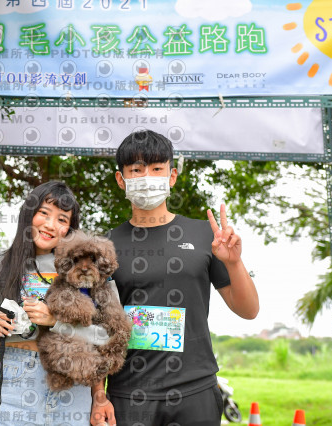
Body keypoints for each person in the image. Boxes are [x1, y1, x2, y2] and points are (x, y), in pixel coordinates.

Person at [105, 130, 259, 426]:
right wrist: (99, 395)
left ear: (172, 176)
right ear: (121, 179)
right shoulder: (105, 246)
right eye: (136, 169)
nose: (146, 177)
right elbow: (94, 330)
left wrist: (235, 263)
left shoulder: (205, 236)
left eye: (156, 168)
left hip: (195, 390)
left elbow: (249, 310)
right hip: (128, 394)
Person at [0, 181, 117, 426]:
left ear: (70, 228)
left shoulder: (89, 270)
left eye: (62, 219)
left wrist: (99, 396)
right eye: (44, 213)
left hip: (75, 390)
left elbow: (111, 338)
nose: (50, 225)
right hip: (14, 389)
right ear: (28, 214)